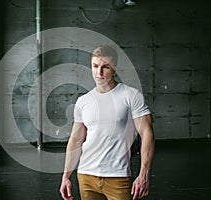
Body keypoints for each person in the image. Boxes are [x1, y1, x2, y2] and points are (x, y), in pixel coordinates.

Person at [59, 45, 155, 200]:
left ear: (115, 69)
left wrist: (144, 174)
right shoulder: (83, 101)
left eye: (106, 67)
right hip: (86, 176)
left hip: (117, 176)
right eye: (95, 66)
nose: (99, 72)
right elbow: (76, 140)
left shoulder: (131, 96)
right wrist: (66, 176)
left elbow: (147, 133)